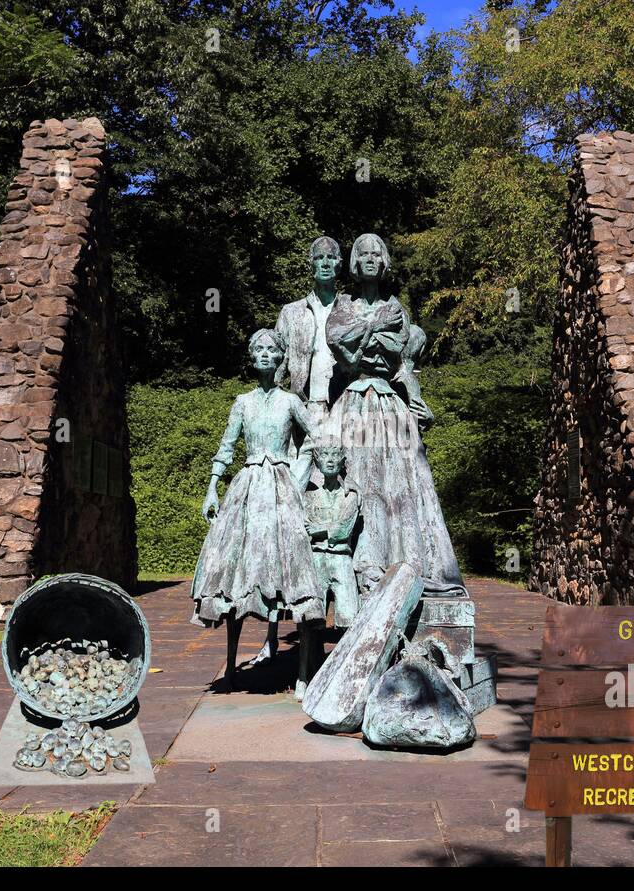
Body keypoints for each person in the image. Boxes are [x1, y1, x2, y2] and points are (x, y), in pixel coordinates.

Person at [325, 233, 466, 597]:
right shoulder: (342, 306)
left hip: (389, 403)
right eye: (364, 253)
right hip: (353, 401)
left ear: (384, 261)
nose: (371, 259)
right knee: (355, 479)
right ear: (355, 261)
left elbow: (399, 363)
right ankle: (357, 570)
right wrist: (371, 338)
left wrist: (418, 403)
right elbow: (346, 355)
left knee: (402, 485)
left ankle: (404, 566)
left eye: (377, 253)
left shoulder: (397, 310)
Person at [192, 328, 324, 688]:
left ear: (280, 357)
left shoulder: (290, 402)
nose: (265, 355)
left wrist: (299, 475)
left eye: (271, 350)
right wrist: (211, 489)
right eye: (259, 350)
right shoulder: (242, 402)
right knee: (236, 565)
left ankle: (301, 674)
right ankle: (232, 665)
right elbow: (226, 447)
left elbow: (318, 437)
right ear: (252, 358)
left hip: (282, 489)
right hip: (248, 487)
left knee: (291, 565)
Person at [275, 236, 349, 479]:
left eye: (330, 258)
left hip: (345, 407)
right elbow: (277, 365)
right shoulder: (291, 312)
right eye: (319, 258)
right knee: (300, 479)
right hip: (305, 407)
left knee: (346, 478)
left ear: (339, 264)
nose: (325, 263)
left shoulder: (351, 308)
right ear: (311, 264)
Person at [299, 444, 361, 699]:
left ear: (342, 460)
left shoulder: (352, 495)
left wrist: (321, 530)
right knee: (309, 619)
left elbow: (344, 530)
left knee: (350, 618)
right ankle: (303, 676)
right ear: (316, 461)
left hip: (341, 560)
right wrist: (325, 530)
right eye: (324, 455)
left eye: (335, 456)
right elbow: (304, 527)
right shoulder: (308, 495)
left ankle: (345, 674)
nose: (330, 461)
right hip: (315, 560)